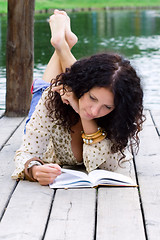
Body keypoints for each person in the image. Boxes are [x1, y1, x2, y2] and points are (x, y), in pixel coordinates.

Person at [12, 10, 144, 186]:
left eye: (107, 107)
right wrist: (34, 170)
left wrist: (83, 113)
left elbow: (110, 166)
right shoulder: (53, 99)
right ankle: (62, 46)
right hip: (51, 98)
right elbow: (26, 153)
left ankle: (63, 46)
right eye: (92, 98)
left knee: (68, 83)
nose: (95, 111)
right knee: (44, 90)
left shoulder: (117, 117)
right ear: (82, 88)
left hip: (71, 88)